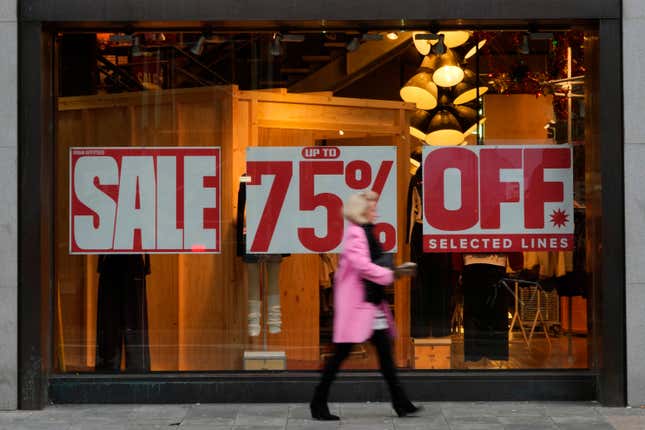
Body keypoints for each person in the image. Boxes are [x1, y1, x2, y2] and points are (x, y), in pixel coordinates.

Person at [310, 191, 421, 421]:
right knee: (340, 355)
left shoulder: (365, 232)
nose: (375, 210)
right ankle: (318, 403)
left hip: (369, 306)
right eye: (371, 207)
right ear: (360, 211)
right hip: (358, 307)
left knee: (384, 354)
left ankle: (401, 402)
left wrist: (392, 271)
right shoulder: (355, 234)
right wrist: (393, 273)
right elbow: (363, 266)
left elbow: (371, 264)